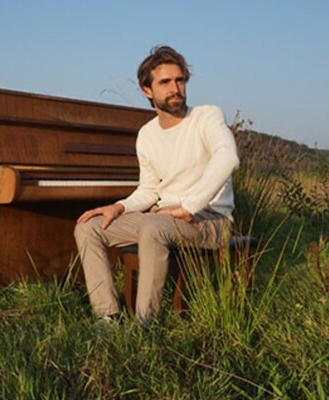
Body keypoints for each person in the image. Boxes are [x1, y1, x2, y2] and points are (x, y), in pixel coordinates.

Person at [74, 45, 240, 326]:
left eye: (180, 80)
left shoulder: (207, 116)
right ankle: (107, 317)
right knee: (88, 227)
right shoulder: (147, 134)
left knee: (153, 227)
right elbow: (149, 190)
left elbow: (228, 157)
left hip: (210, 219)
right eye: (165, 82)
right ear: (147, 90)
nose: (175, 89)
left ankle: (144, 324)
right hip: (164, 217)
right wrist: (119, 207)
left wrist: (188, 207)